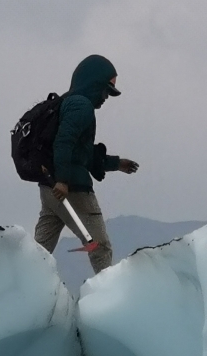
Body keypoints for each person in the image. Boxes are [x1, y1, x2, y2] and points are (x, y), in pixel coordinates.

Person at [33, 54, 140, 273]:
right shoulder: (81, 107)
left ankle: (20, 292)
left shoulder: (68, 102)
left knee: (37, 252)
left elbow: (83, 153)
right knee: (100, 247)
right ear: (94, 84)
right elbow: (64, 143)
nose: (105, 98)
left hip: (49, 189)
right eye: (105, 91)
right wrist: (63, 181)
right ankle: (106, 299)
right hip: (71, 190)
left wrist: (116, 163)